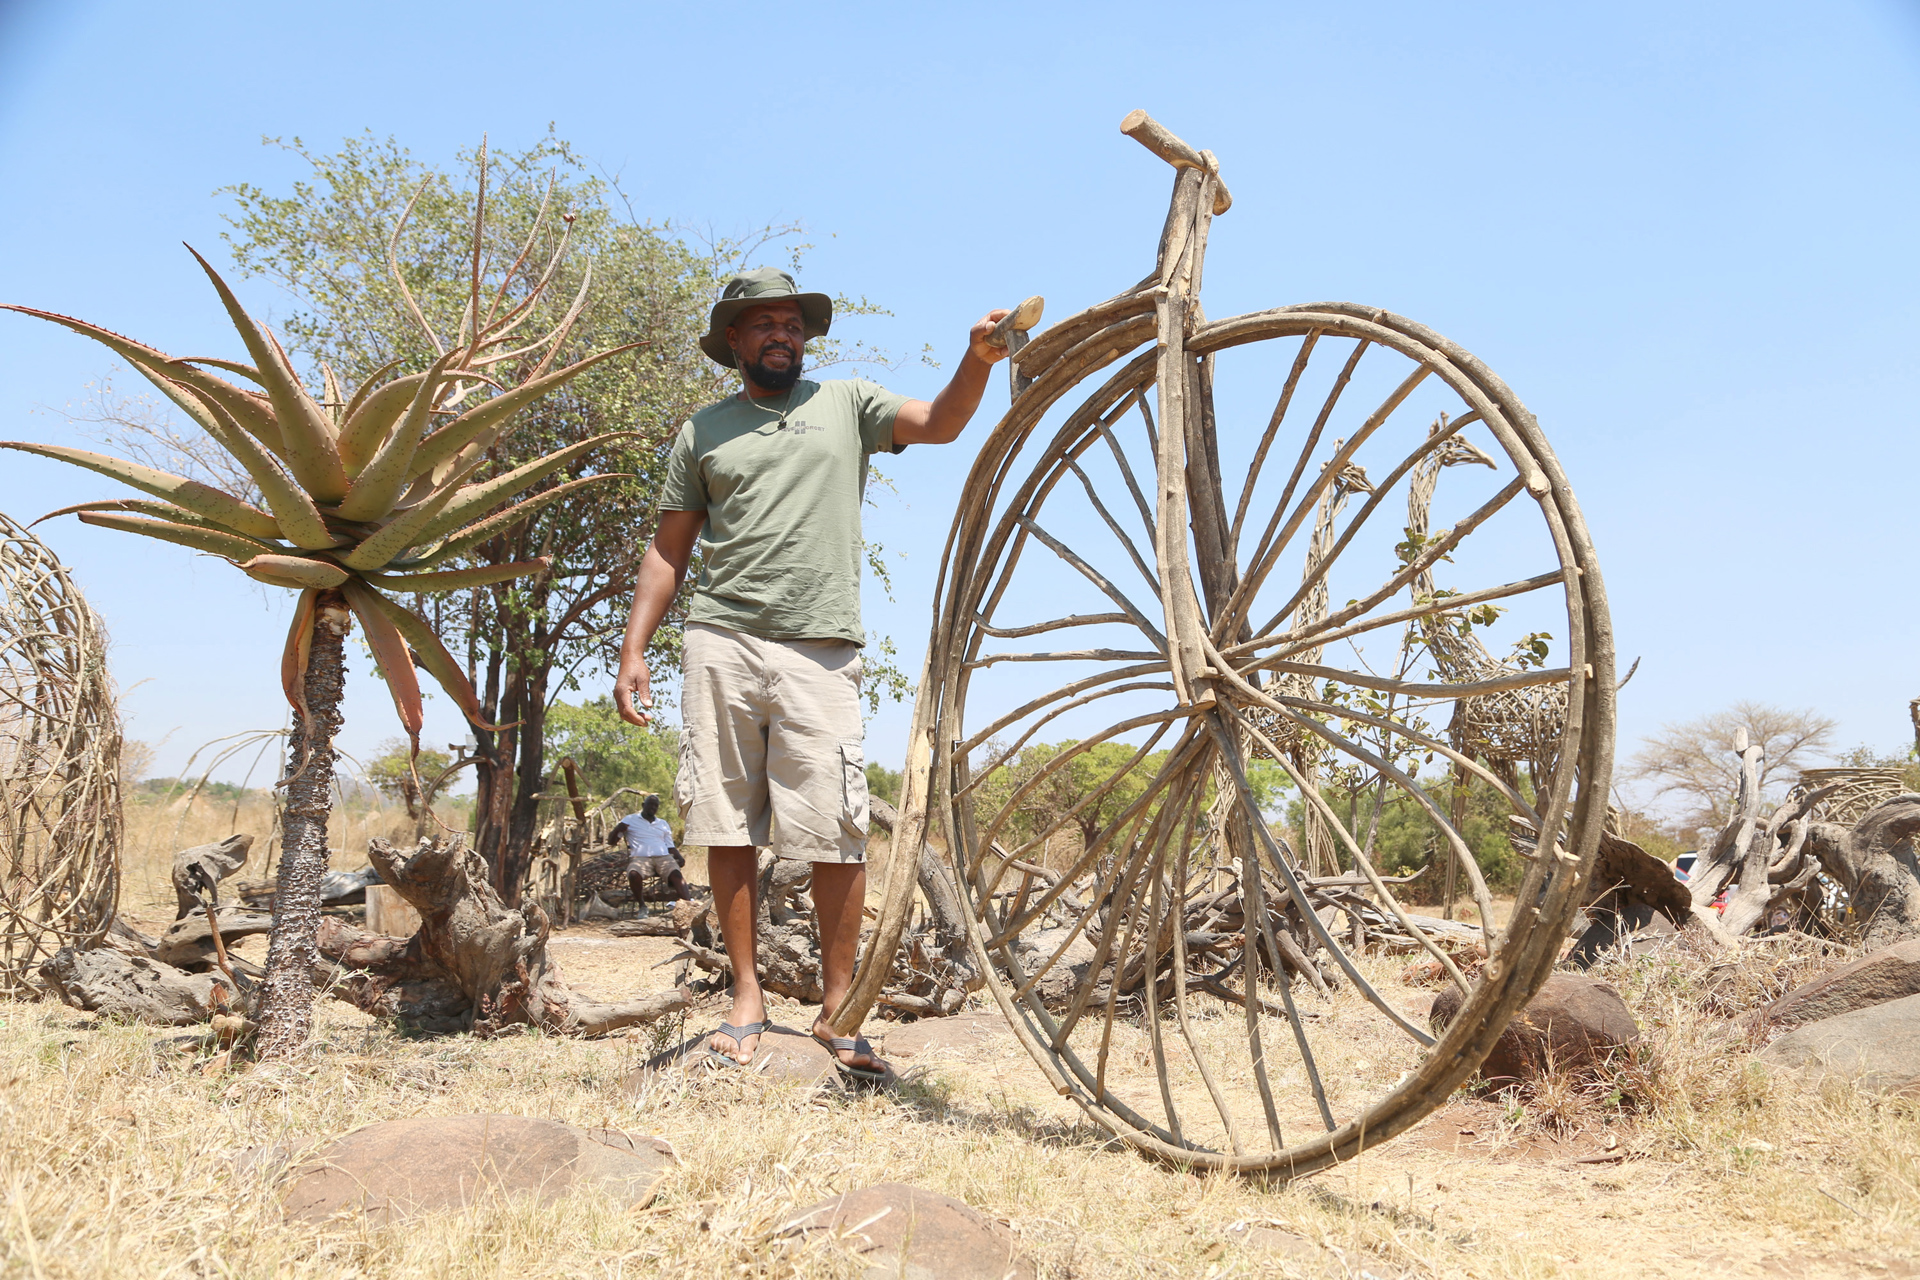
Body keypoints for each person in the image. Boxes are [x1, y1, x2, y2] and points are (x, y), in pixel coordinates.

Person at [613, 267, 1007, 1080]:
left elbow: (938, 423)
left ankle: (839, 1010)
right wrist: (633, 649)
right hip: (720, 640)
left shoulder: (847, 405)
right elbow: (668, 550)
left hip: (821, 649)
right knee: (725, 826)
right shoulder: (703, 432)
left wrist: (978, 360)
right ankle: (747, 999)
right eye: (762, 324)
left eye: (792, 323)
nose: (780, 335)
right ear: (734, 340)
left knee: (837, 831)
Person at [610, 794, 692, 904]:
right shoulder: (630, 819)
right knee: (633, 874)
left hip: (663, 858)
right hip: (640, 858)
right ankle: (642, 905)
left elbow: (670, 846)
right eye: (650, 805)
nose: (653, 808)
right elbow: (611, 842)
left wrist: (679, 856)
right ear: (643, 805)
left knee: (676, 874)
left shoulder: (662, 823)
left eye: (656, 806)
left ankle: (689, 904)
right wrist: (617, 830)